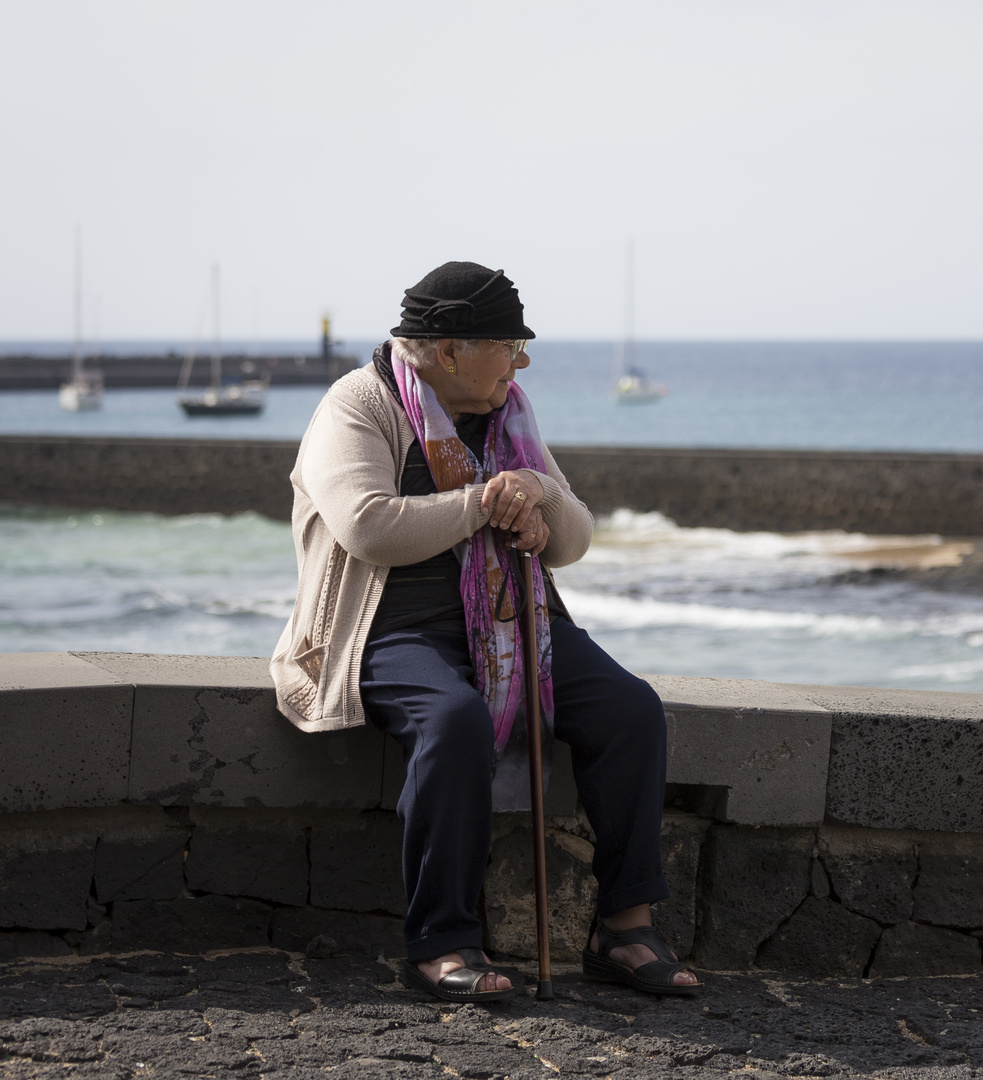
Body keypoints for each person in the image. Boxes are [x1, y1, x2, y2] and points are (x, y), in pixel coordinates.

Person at [270, 261, 699, 1002]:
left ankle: (623, 929)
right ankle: (441, 941)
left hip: (513, 621)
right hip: (387, 633)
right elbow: (368, 527)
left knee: (631, 711)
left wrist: (532, 490)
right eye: (509, 344)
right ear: (448, 352)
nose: (521, 361)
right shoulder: (360, 406)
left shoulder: (511, 413)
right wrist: (483, 503)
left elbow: (572, 538)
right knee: (454, 719)